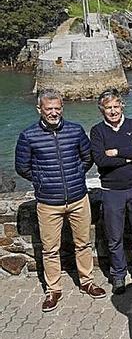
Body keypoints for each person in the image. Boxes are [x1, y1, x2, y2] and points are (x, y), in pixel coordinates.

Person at [15, 89, 104, 311]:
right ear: (40, 110)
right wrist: (43, 180)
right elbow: (22, 167)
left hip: (78, 198)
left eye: (57, 108)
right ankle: (53, 290)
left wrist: (75, 175)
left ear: (62, 108)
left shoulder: (75, 131)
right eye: (48, 109)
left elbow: (87, 158)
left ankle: (87, 282)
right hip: (47, 202)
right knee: (49, 249)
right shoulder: (28, 135)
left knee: (83, 243)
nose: (53, 113)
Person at [89, 88, 132, 294]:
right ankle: (118, 275)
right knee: (115, 237)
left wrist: (117, 153)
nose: (113, 111)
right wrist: (129, 157)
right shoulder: (97, 132)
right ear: (101, 110)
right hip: (111, 191)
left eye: (116, 106)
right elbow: (101, 160)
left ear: (122, 106)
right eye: (108, 108)